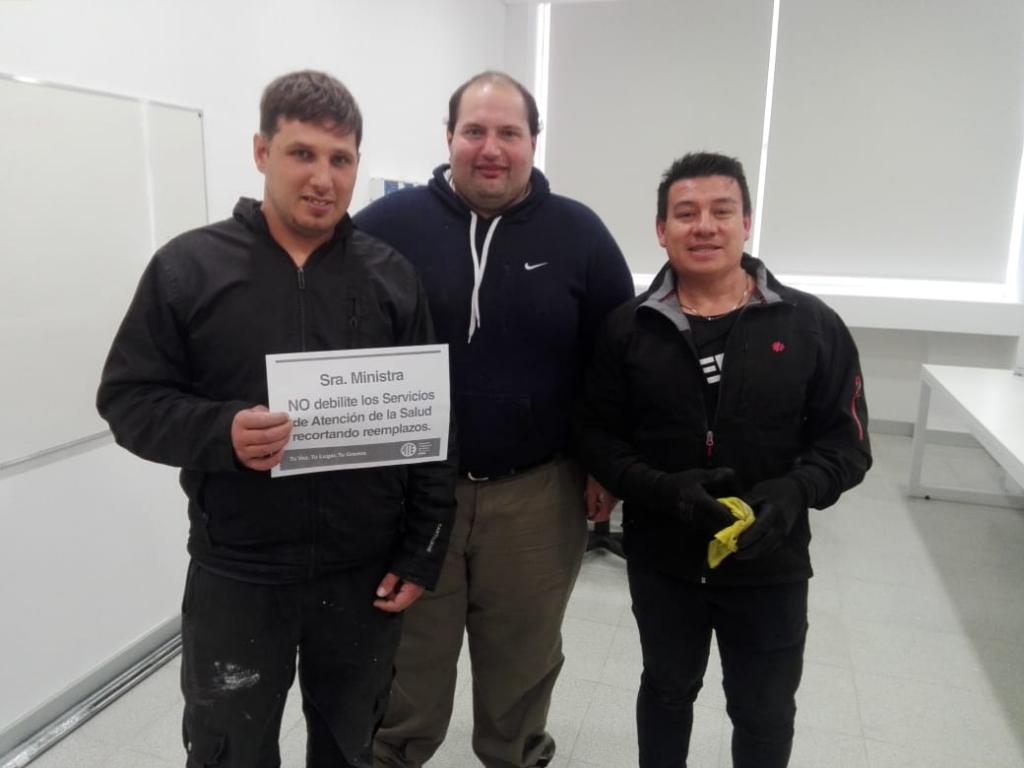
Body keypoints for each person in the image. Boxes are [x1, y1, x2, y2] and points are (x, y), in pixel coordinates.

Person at [96, 70, 456, 768]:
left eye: (341, 158)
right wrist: (219, 432)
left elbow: (432, 428)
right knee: (230, 750)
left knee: (352, 746)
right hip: (239, 571)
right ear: (262, 152)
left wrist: (421, 550)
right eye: (302, 153)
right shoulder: (188, 270)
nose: (323, 177)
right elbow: (128, 399)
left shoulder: (391, 277)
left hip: (362, 574)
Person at [353, 71, 634, 768]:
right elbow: (337, 345)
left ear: (533, 141)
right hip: (412, 495)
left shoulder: (580, 234)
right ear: (448, 136)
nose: (491, 148)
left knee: (524, 659)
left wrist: (605, 466)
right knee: (407, 660)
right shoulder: (383, 229)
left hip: (537, 494)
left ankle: (516, 756)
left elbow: (616, 362)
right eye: (474, 131)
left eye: (509, 132)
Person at [575, 151, 872, 768]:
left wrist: (795, 491)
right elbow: (598, 437)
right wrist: (661, 489)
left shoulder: (812, 325)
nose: (704, 226)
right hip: (663, 558)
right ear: (662, 230)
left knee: (764, 712)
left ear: (747, 223)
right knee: (666, 690)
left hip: (772, 562)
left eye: (721, 211)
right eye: (686, 213)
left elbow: (847, 444)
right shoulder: (628, 328)